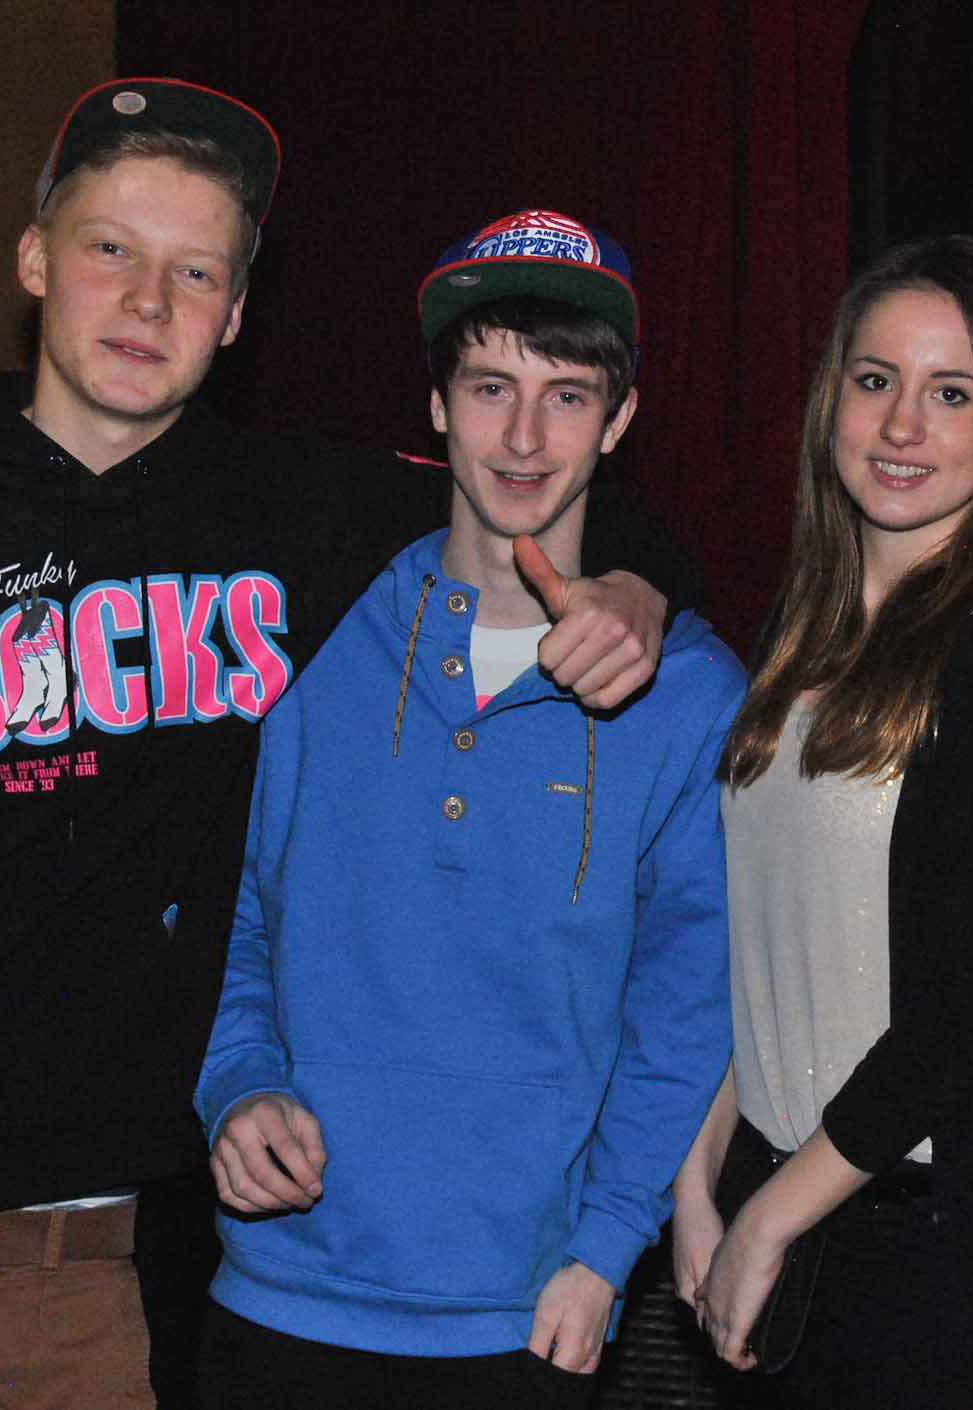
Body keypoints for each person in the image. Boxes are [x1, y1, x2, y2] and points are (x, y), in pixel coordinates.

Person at [0, 83, 687, 1410]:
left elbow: (523, 479)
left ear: (235, 316)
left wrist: (635, 582)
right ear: (33, 260)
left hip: (74, 1280)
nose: (146, 301)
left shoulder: (286, 514)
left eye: (196, 272)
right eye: (110, 248)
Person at [191, 209, 742, 1410]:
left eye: (568, 395)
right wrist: (235, 1083)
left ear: (621, 419)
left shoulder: (692, 693)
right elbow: (229, 908)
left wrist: (608, 1247)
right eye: (491, 387)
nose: (525, 437)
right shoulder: (306, 633)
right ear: (436, 405)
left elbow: (686, 1003)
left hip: (529, 1309)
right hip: (279, 1291)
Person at [671, 235, 973, 1409]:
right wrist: (697, 1182)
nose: (904, 424)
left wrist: (770, 1216)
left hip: (941, 1240)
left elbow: (966, 1013)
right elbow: (765, 960)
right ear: (833, 402)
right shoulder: (795, 637)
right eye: (877, 380)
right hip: (785, 1198)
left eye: (952, 392)